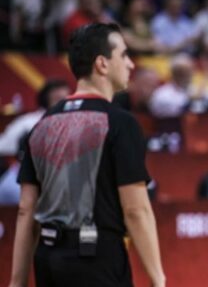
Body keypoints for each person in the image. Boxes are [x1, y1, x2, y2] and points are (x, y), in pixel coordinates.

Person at [10, 24, 165, 287]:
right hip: (97, 260)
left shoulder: (42, 124)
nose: (130, 65)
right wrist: (157, 278)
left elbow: (26, 210)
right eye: (124, 55)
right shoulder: (120, 123)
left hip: (47, 260)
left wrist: (17, 282)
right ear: (102, 64)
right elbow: (136, 210)